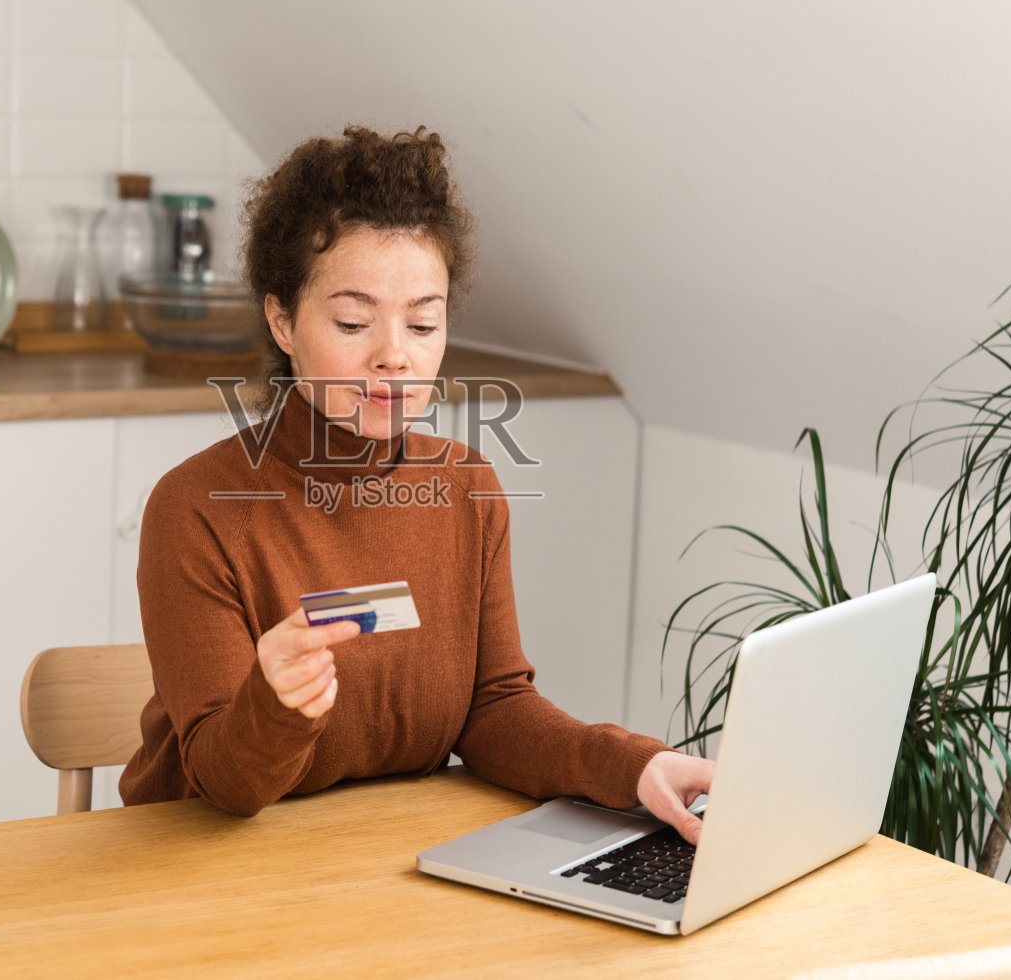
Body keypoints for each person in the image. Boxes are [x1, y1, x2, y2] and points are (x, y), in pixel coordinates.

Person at [118, 125, 714, 842]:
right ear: (283, 321)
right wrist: (273, 707)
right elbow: (225, 782)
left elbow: (492, 710)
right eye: (352, 321)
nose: (394, 356)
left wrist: (633, 767)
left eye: (423, 324)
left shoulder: (465, 490)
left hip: (386, 864)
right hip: (203, 869)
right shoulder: (197, 508)